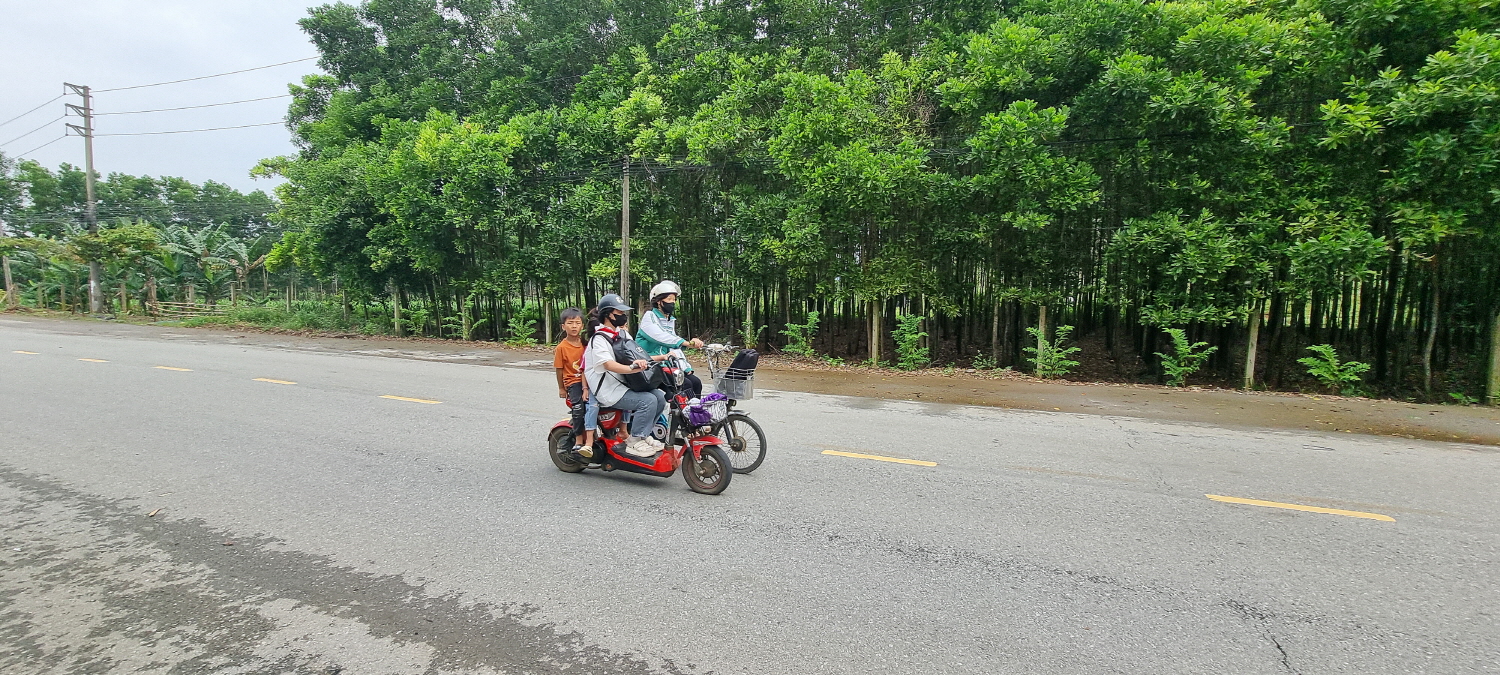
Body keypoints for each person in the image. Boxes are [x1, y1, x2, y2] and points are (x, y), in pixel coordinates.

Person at [583, 293, 668, 458]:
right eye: (620, 313)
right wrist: (631, 368)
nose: (623, 316)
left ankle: (643, 435)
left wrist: (664, 357)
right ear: (608, 314)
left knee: (659, 397)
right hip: (608, 389)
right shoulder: (598, 339)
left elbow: (640, 355)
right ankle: (634, 441)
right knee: (647, 400)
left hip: (623, 385)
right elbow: (608, 364)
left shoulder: (622, 334)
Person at [636, 280, 705, 398]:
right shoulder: (649, 317)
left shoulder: (669, 320)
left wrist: (686, 367)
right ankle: (680, 414)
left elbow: (674, 345)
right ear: (659, 301)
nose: (672, 303)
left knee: (696, 382)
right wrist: (687, 343)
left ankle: (693, 414)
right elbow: (662, 337)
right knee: (684, 385)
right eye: (669, 299)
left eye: (674, 300)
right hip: (650, 365)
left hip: (666, 365)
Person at [553, 307, 588, 448]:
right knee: (579, 408)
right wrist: (561, 388)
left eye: (577, 323)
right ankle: (579, 439)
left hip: (588, 381)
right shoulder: (561, 347)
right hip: (573, 382)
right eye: (570, 323)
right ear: (563, 326)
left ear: (582, 326)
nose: (574, 326)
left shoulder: (586, 344)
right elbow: (559, 369)